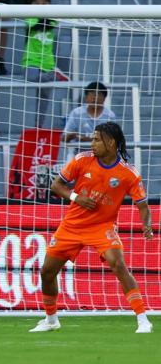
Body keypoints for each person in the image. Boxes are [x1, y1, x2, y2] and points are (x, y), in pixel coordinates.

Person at [30, 122, 154, 334]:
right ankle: (51, 320)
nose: (92, 143)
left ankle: (143, 319)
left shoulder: (128, 173)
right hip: (72, 225)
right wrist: (77, 197)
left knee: (118, 264)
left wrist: (147, 225)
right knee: (47, 272)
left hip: (102, 226)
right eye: (93, 138)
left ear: (111, 142)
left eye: (97, 139)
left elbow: (142, 204)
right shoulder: (82, 160)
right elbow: (56, 185)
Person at [21, 0, 62, 128]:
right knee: (30, 78)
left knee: (44, 98)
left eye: (44, 3)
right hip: (31, 61)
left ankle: (38, 126)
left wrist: (45, 20)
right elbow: (36, 24)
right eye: (37, 3)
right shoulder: (29, 16)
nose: (41, 6)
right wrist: (43, 20)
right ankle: (55, 75)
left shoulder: (53, 17)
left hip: (48, 63)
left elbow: (50, 24)